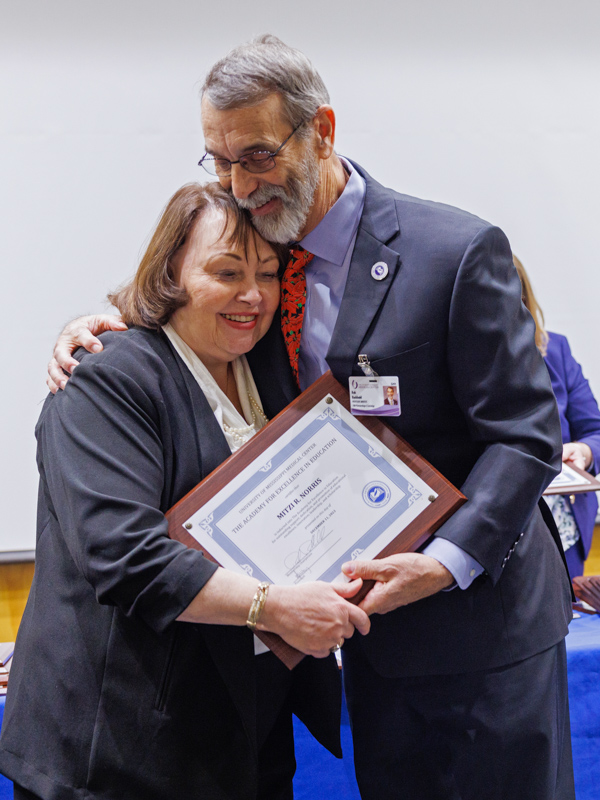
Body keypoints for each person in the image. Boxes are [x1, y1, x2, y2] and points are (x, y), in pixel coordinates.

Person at [45, 36, 574, 800]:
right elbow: (204, 307)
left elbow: (524, 436)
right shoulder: (261, 250)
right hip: (360, 634)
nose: (238, 182)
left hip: (477, 631)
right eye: (217, 160)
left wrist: (446, 562)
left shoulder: (453, 251)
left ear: (322, 129)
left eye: (257, 155)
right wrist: (108, 324)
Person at [0, 182, 371, 800]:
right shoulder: (105, 377)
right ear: (169, 270)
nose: (251, 294)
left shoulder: (270, 367)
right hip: (121, 745)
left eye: (268, 273)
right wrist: (275, 608)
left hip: (245, 730)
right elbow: (125, 556)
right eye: (226, 272)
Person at [515, 254, 600, 578]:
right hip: (490, 533)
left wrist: (585, 451)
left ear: (522, 297)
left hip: (563, 527)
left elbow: (595, 430)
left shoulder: (555, 349)